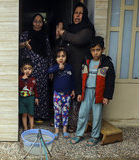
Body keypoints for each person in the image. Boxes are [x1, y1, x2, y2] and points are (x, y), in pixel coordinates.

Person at [56, 2, 95, 132]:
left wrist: (63, 33)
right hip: (69, 67)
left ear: (84, 16)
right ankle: (62, 121)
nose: (77, 15)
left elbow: (78, 40)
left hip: (80, 67)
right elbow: (61, 45)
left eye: (80, 13)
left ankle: (74, 123)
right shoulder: (71, 28)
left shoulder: (87, 29)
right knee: (65, 94)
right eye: (75, 13)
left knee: (77, 94)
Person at [70, 36, 115, 147]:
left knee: (97, 115)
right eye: (93, 50)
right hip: (86, 92)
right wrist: (79, 92)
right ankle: (79, 134)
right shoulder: (86, 61)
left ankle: (95, 136)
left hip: (99, 93)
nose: (95, 53)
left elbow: (110, 82)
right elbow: (80, 79)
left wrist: (107, 96)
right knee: (82, 114)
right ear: (90, 50)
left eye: (98, 50)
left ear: (103, 50)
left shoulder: (107, 63)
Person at [20, 13, 52, 123]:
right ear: (32, 22)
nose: (37, 24)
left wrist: (50, 68)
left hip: (42, 69)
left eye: (40, 21)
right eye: (35, 21)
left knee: (41, 91)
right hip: (29, 69)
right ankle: (28, 115)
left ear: (43, 24)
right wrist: (25, 44)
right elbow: (17, 45)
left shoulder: (45, 36)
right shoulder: (26, 34)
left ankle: (40, 116)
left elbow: (48, 53)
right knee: (29, 90)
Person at [48, 48, 75, 139]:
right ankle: (56, 131)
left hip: (67, 95)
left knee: (65, 113)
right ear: (55, 58)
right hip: (57, 94)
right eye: (58, 56)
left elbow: (72, 80)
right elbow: (49, 71)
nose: (61, 58)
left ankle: (64, 130)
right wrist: (57, 67)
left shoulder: (69, 67)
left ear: (66, 57)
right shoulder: (55, 68)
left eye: (63, 56)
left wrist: (73, 90)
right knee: (57, 112)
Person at [19, 59, 39, 131]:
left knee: (30, 114)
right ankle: (25, 128)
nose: (27, 71)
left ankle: (31, 128)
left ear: (32, 70)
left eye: (29, 69)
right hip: (22, 99)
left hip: (30, 98)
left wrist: (36, 98)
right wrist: (22, 79)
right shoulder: (19, 78)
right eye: (25, 69)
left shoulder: (33, 79)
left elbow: (35, 89)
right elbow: (19, 86)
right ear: (21, 70)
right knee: (24, 114)